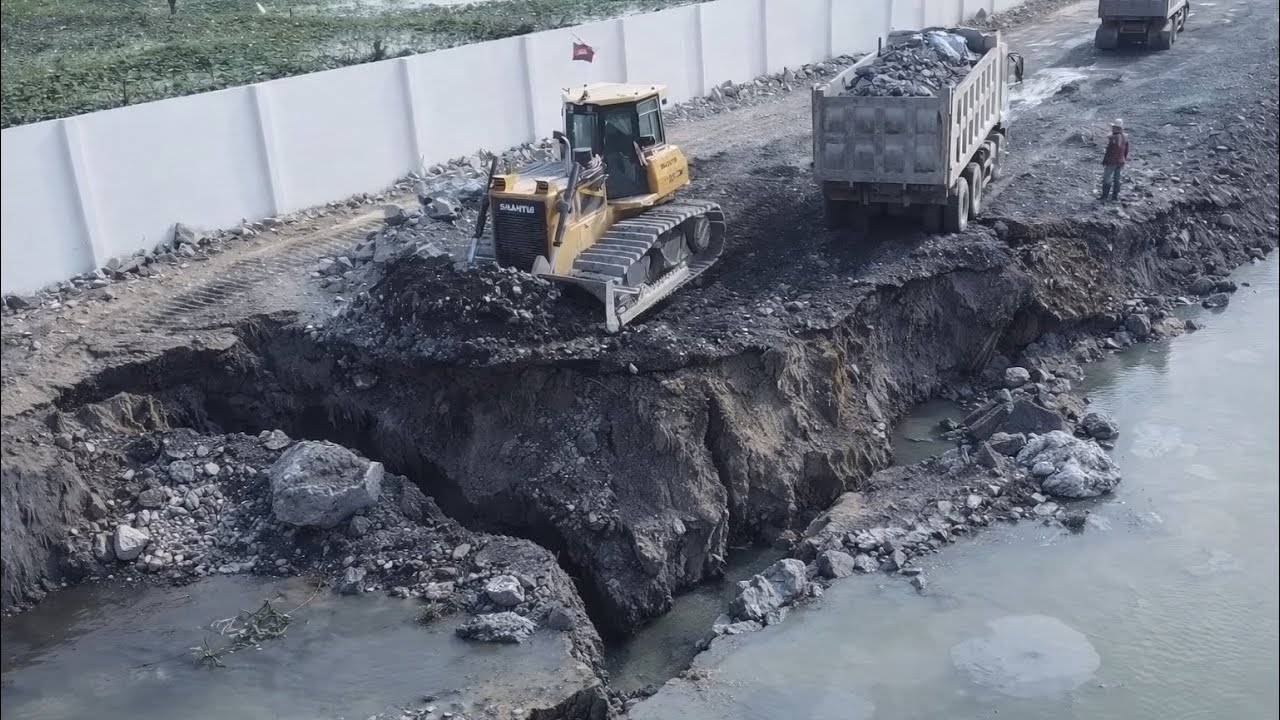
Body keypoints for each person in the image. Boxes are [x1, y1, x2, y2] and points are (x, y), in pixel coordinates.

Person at [1101, 119, 1129, 202]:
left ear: (1116, 128)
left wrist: (1105, 160)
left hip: (1111, 161)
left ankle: (1104, 197)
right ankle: (1115, 197)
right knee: (1117, 179)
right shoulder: (1125, 137)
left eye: (1113, 127)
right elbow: (1126, 150)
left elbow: (1109, 152)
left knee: (1107, 178)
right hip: (1120, 161)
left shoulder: (1113, 138)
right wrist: (1124, 159)